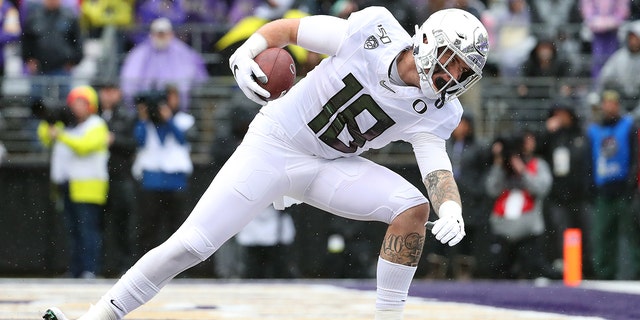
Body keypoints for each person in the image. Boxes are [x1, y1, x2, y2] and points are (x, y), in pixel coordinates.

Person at [43, 7, 489, 320]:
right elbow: (291, 30)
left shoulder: (441, 109)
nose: (452, 77)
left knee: (413, 208)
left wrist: (451, 206)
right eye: (451, 61)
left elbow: (435, 165)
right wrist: (248, 49)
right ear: (427, 41)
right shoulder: (373, 30)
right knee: (193, 245)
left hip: (328, 165)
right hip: (275, 144)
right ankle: (99, 315)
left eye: (463, 71)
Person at [37, 85, 109, 279]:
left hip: (89, 186)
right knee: (73, 231)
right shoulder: (67, 125)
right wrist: (50, 120)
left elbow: (84, 147)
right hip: (67, 185)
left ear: (91, 105)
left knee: (88, 230)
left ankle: (90, 269)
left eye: (81, 102)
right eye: (73, 103)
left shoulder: (97, 124)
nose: (76, 107)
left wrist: (60, 134)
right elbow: (44, 137)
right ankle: (76, 269)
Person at [485, 131, 559, 279]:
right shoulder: (503, 167)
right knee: (499, 273)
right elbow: (492, 189)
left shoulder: (538, 164)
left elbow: (542, 188)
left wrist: (522, 171)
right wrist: (500, 163)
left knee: (533, 272)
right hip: (503, 229)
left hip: (528, 231)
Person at [130, 87, 194, 257]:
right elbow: (140, 141)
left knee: (178, 228)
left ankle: (180, 268)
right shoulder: (144, 123)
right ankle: (144, 265)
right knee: (149, 227)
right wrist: (144, 118)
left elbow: (183, 141)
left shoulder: (183, 119)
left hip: (176, 181)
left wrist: (169, 119)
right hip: (152, 180)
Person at [586, 90, 640, 280]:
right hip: (604, 191)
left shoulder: (628, 125)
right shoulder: (593, 130)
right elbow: (589, 160)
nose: (610, 107)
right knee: (602, 236)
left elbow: (635, 156)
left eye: (614, 103)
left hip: (624, 189)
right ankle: (604, 274)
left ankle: (637, 274)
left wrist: (632, 184)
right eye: (607, 103)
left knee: (633, 235)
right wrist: (591, 186)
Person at [538, 103, 592, 277]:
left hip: (581, 195)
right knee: (561, 233)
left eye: (563, 113)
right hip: (558, 196)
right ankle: (567, 270)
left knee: (585, 232)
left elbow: (589, 163)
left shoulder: (581, 135)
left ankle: (587, 270)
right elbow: (537, 151)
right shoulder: (552, 137)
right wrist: (547, 131)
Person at [119, 17, 208, 110]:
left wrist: (176, 93)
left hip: (175, 105)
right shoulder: (140, 53)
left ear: (171, 34)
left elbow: (196, 77)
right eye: (158, 34)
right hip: (147, 104)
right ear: (151, 35)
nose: (161, 37)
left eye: (164, 34)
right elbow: (129, 82)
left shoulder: (183, 52)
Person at [96, 81, 138, 277]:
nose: (107, 95)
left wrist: (114, 140)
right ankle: (103, 265)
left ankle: (124, 265)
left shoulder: (127, 115)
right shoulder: (95, 115)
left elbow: (133, 143)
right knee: (99, 224)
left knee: (122, 223)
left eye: (111, 90)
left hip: (120, 176)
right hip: (97, 177)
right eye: (104, 91)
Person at [21, 0, 83, 102]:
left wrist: (74, 60)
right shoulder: (34, 16)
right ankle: (38, 118)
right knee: (37, 103)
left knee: (64, 102)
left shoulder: (69, 16)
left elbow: (78, 40)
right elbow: (26, 40)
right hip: (40, 68)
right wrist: (28, 59)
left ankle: (63, 118)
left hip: (62, 68)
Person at [236, 204, 297, 278]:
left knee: (277, 270)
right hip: (253, 242)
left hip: (276, 243)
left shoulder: (282, 216)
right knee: (253, 271)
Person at [598, 20, 640, 112]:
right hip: (621, 97)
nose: (633, 42)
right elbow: (605, 77)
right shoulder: (619, 56)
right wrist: (617, 84)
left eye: (636, 38)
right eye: (631, 38)